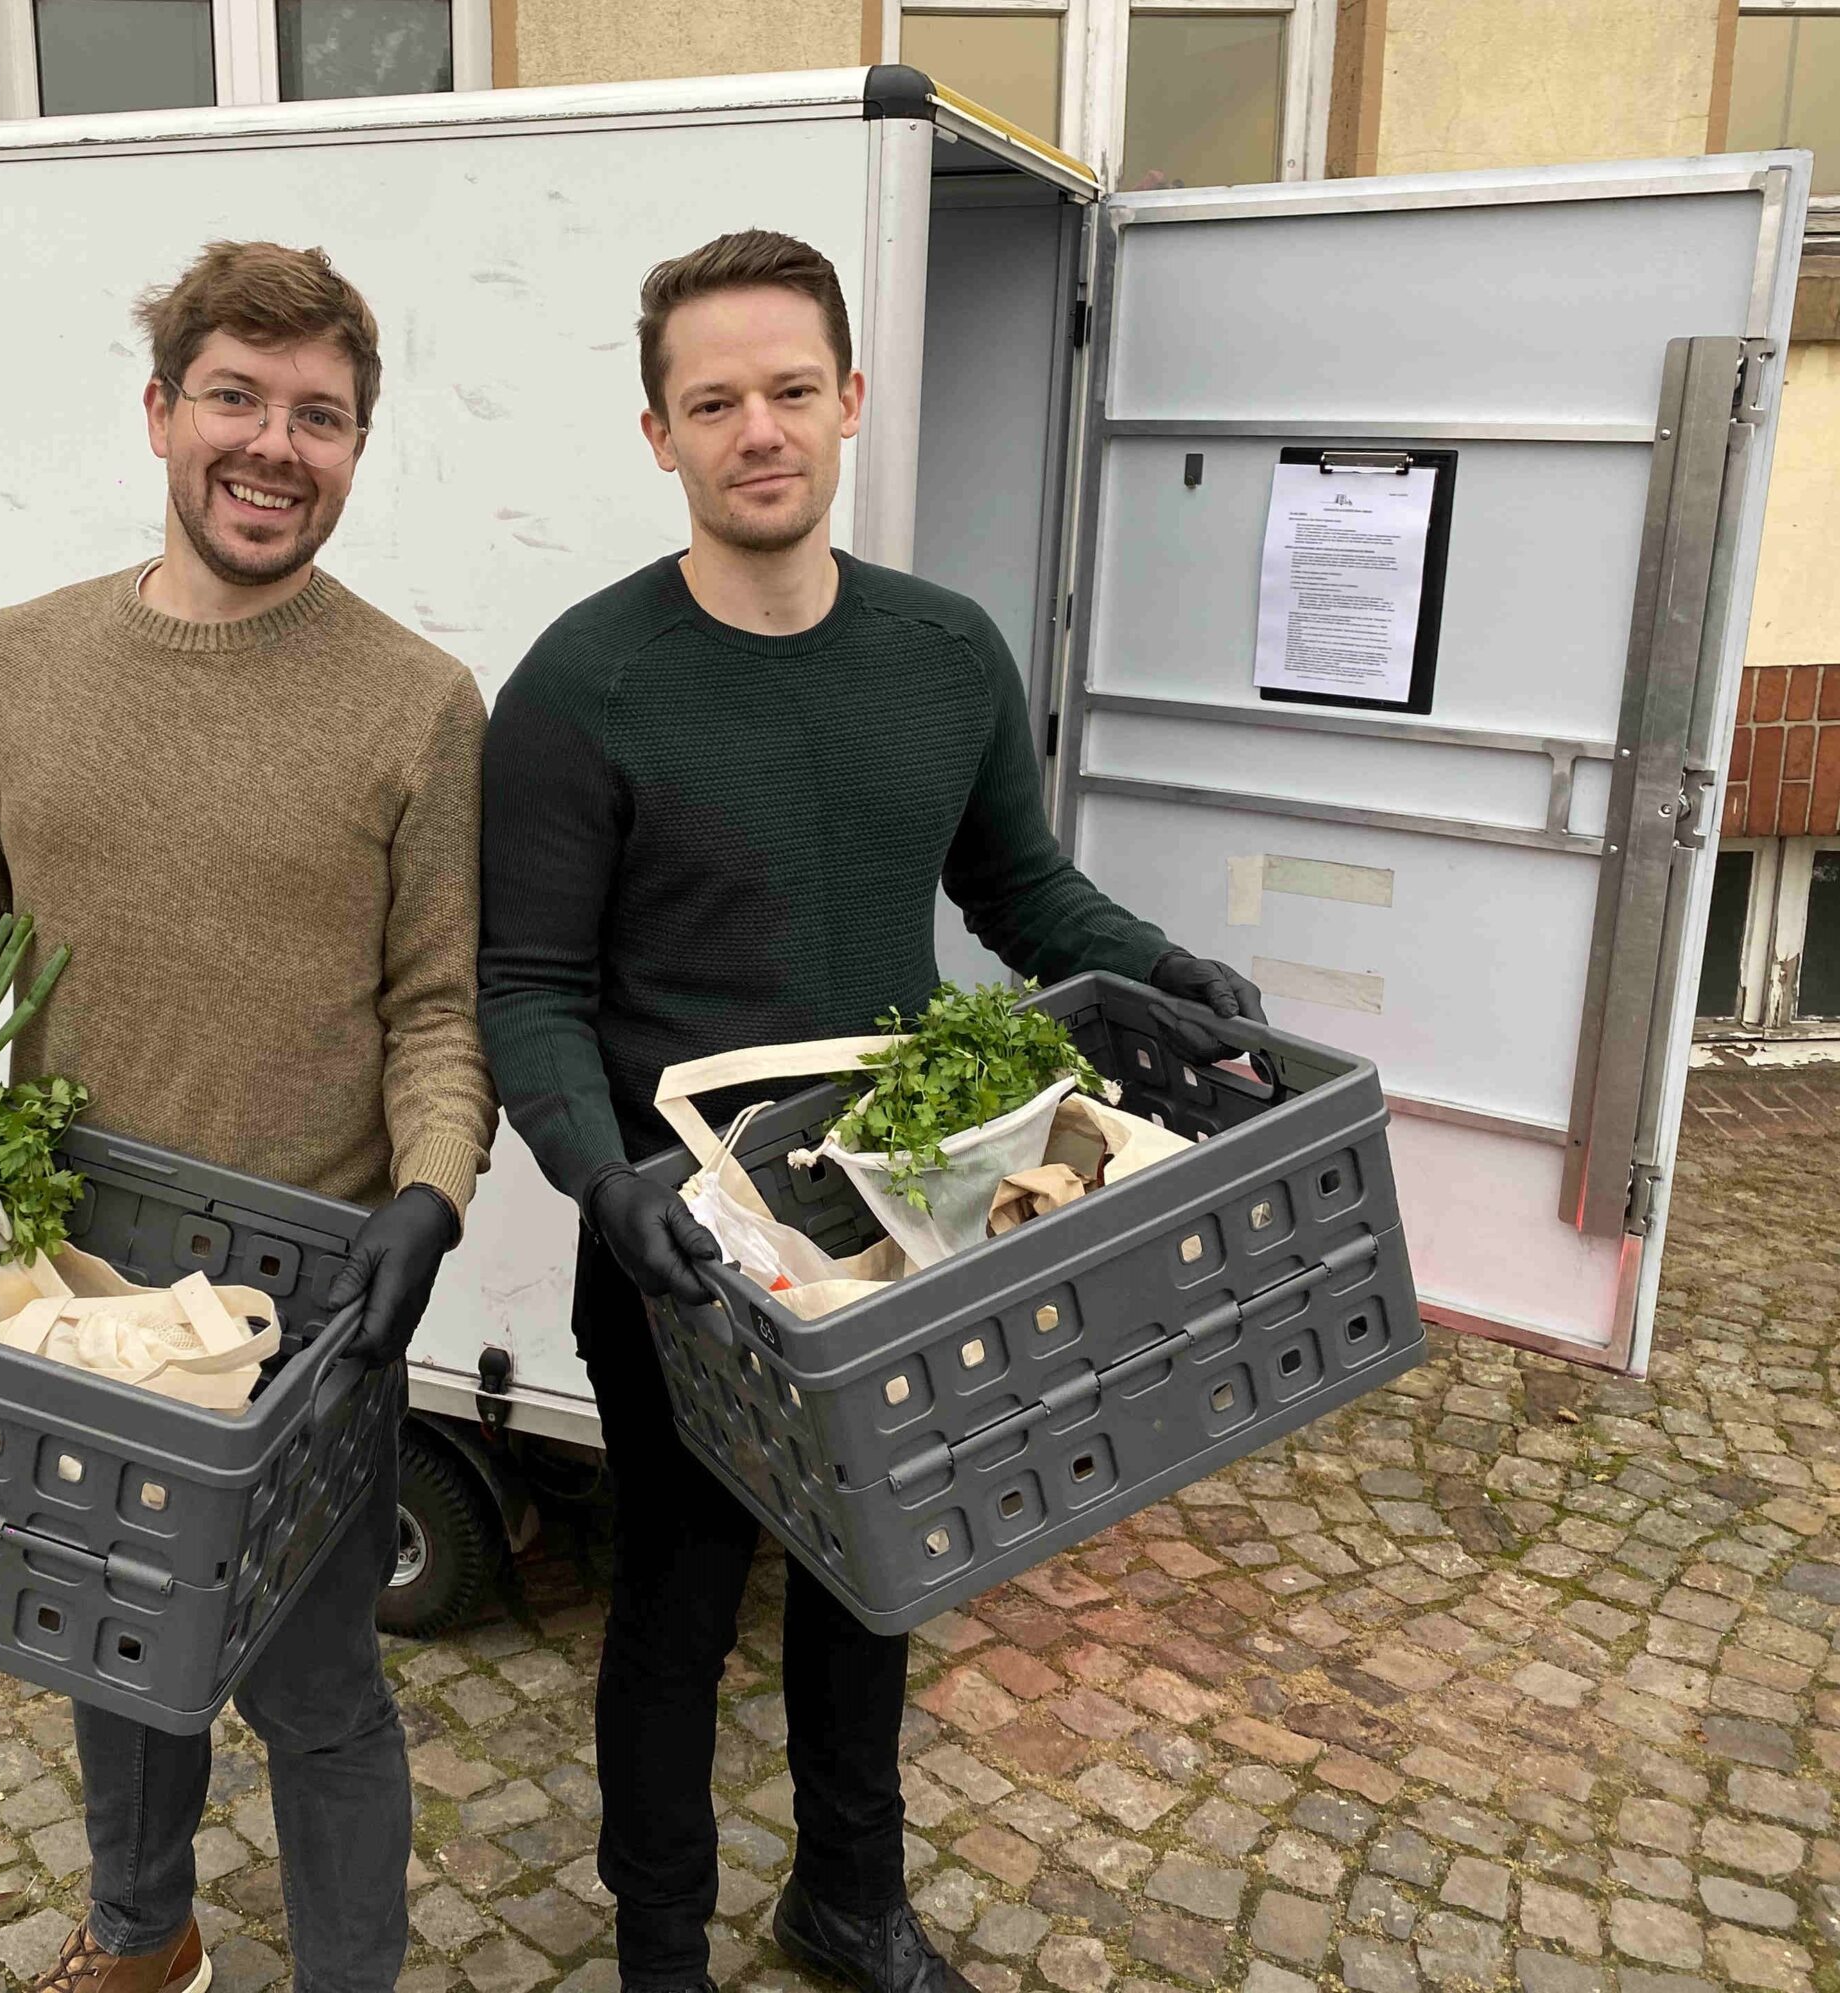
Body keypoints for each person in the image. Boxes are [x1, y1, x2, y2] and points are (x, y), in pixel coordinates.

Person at [475, 230, 1262, 1993]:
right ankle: (662, 1945)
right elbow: (525, 985)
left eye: (785, 390)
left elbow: (1019, 887)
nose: (755, 429)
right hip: (681, 1245)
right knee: (678, 1609)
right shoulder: (584, 685)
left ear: (847, 401)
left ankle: (848, 1896)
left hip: (899, 1215)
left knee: (876, 1575)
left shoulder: (944, 651)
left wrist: (1157, 967)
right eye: (711, 403)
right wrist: (602, 1181)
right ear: (659, 436)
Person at [0, 240, 496, 1993]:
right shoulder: (16, 665)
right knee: (112, 1633)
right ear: (161, 413)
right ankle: (146, 1938)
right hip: (66, 1277)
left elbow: (436, 1008)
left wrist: (434, 1192)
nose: (274, 444)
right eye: (236, 396)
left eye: (320, 415)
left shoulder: (419, 704)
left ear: (357, 449)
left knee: (317, 1692)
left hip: (299, 1305)